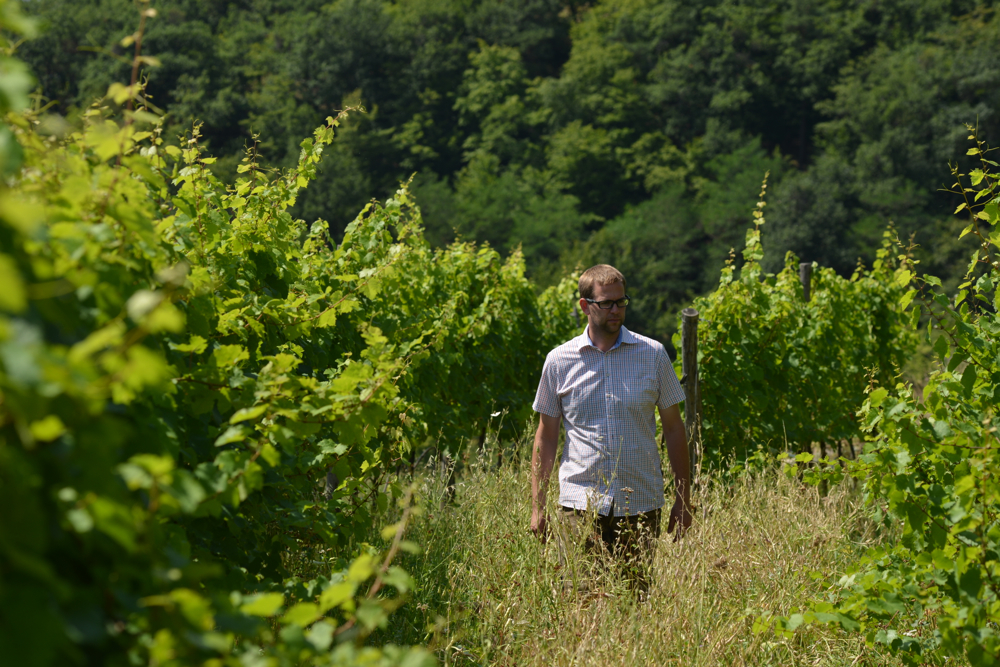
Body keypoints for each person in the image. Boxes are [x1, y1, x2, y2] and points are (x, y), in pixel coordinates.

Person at [530, 264, 692, 591]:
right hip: (579, 504)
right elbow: (546, 435)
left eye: (621, 302)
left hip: (641, 502)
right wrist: (538, 506)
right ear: (585, 306)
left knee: (635, 603)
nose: (616, 310)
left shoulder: (653, 355)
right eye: (607, 303)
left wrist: (683, 499)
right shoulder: (559, 361)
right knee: (581, 598)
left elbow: (675, 429)